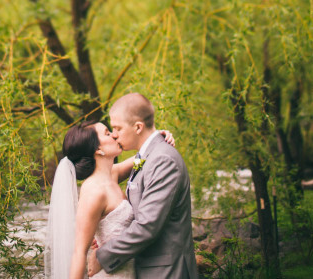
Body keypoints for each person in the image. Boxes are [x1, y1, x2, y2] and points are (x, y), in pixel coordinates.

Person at [44, 113, 177, 278]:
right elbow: (79, 251)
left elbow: (143, 157)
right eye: (107, 133)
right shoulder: (94, 191)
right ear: (98, 149)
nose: (115, 135)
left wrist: (160, 137)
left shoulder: (112, 173)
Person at [89, 93, 198, 278]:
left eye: (117, 128)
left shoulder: (163, 160)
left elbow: (147, 226)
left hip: (167, 271)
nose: (114, 135)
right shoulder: (145, 157)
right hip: (147, 268)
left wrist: (102, 256)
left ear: (138, 127)